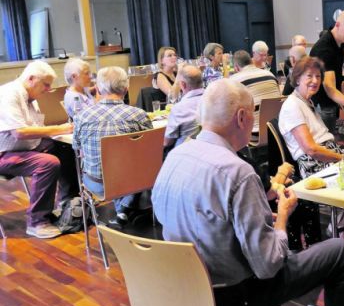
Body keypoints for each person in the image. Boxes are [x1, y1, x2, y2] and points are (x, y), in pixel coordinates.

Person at [152, 78, 344, 306]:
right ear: (241, 117)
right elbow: (268, 265)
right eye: (253, 114)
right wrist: (282, 216)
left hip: (181, 291)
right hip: (233, 300)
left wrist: (258, 216)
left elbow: (199, 220)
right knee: (341, 252)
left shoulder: (173, 157)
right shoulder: (238, 172)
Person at [0, 61, 78, 238]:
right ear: (31, 79)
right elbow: (19, 132)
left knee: (64, 147)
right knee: (48, 163)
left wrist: (61, 135)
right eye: (46, 84)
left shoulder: (30, 96)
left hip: (20, 148)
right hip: (4, 153)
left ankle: (67, 202)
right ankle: (37, 222)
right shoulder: (9, 94)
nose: (49, 89)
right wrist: (61, 129)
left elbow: (35, 130)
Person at [73, 66, 153, 226]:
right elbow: (149, 151)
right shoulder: (138, 115)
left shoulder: (82, 116)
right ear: (126, 88)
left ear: (98, 89)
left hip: (97, 184)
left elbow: (77, 147)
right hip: (133, 182)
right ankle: (126, 208)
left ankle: (124, 210)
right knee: (145, 164)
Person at [279, 57, 344, 247]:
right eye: (309, 76)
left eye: (318, 76)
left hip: (326, 156)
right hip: (313, 163)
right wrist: (343, 158)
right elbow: (310, 149)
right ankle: (339, 227)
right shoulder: (292, 106)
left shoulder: (306, 102)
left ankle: (341, 225)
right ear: (297, 78)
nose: (315, 81)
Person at [309, 9, 344, 132]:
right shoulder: (325, 49)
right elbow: (329, 87)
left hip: (329, 103)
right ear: (337, 25)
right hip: (322, 105)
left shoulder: (339, 42)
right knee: (325, 142)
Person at [230, 50, 281, 138]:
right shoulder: (270, 75)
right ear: (251, 62)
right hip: (277, 129)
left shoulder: (234, 80)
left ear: (236, 67)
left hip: (254, 132)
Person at [164, 65, 204, 150]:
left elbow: (167, 142)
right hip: (211, 151)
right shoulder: (213, 99)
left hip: (186, 153)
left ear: (183, 84)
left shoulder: (179, 108)